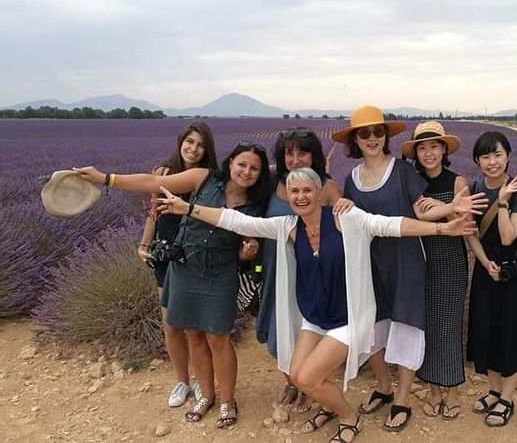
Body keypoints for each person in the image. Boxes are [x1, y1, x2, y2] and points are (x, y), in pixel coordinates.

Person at [154, 167, 478, 443]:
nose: (300, 196)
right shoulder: (288, 227)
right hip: (315, 317)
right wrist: (188, 209)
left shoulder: (345, 219)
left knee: (307, 378)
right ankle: (328, 405)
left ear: (320, 192)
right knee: (296, 375)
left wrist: (442, 227)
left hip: (348, 318)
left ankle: (349, 417)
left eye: (307, 190)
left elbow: (392, 224)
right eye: (294, 191)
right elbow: (236, 221)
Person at [74, 141, 271, 428]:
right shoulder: (203, 178)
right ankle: (206, 396)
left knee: (219, 339)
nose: (247, 171)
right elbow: (154, 181)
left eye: (254, 168)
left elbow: (242, 251)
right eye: (242, 164)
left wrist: (247, 253)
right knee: (194, 336)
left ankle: (227, 399)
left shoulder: (256, 205)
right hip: (185, 268)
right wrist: (106, 178)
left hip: (220, 273)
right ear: (230, 163)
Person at [399, 121, 486, 420]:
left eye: (434, 146)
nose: (428, 153)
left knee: (448, 327)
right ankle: (433, 390)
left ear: (444, 149)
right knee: (427, 327)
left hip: (449, 261)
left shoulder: (457, 181)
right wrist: (450, 210)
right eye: (422, 148)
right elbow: (415, 214)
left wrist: (483, 260)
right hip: (419, 261)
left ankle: (451, 391)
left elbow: (466, 224)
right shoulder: (411, 180)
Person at [465, 131, 517, 428]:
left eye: (497, 154)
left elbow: (510, 235)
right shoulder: (473, 188)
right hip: (487, 269)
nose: (492, 161)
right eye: (485, 156)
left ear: (509, 156)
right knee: (486, 328)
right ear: (477, 160)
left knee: (510, 332)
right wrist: (485, 264)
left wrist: (501, 201)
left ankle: (507, 398)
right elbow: (469, 232)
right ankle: (494, 389)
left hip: (516, 271)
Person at [137, 122, 219, 407]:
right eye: (190, 142)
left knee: (194, 328)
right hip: (164, 254)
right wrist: (144, 244)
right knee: (171, 324)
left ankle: (202, 382)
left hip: (195, 256)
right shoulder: (162, 173)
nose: (194, 149)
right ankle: (181, 381)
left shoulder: (209, 179)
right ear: (181, 142)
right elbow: (154, 214)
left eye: (200, 145)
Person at [261, 128, 342, 413]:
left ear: (314, 156)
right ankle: (293, 381)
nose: (295, 160)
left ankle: (309, 383)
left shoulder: (327, 187)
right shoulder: (272, 183)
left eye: (302, 152)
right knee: (277, 337)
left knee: (308, 329)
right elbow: (237, 175)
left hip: (312, 273)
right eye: (289, 153)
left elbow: (345, 226)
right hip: (276, 270)